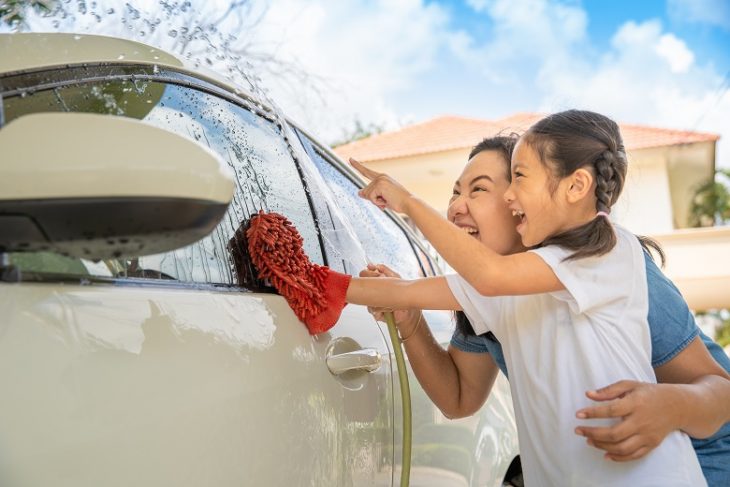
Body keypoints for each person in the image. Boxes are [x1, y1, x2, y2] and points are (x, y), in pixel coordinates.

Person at [343, 110, 708, 486]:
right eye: (455, 192)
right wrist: (408, 316)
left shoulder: (605, 257)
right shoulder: (489, 292)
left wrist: (671, 406)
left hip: (699, 458)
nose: (454, 207)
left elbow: (718, 390)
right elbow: (458, 397)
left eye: (480, 189)